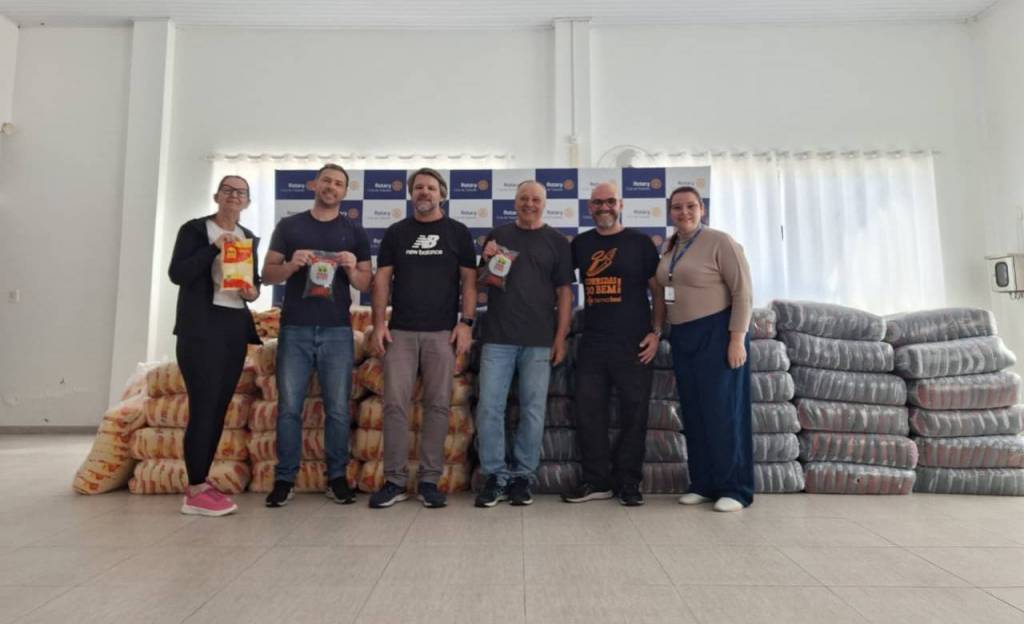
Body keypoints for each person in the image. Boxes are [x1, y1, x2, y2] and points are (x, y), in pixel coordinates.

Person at [261, 164, 372, 507]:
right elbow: (267, 275)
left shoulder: (354, 231)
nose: (331, 187)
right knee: (289, 408)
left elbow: (365, 282)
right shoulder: (290, 226)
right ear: (314, 184)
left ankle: (336, 478)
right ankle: (285, 479)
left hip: (338, 330)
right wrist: (292, 264)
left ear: (345, 192)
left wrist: (352, 268)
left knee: (337, 409)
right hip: (294, 328)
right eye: (327, 181)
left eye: (338, 183)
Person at [367, 168, 477, 509]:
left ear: (442, 194)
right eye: (418, 187)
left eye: (430, 187)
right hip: (400, 331)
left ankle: (430, 481)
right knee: (394, 405)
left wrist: (466, 323)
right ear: (411, 194)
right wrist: (378, 323)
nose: (424, 192)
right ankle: (395, 481)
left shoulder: (458, 232)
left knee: (438, 405)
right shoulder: (396, 232)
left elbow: (469, 282)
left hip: (442, 333)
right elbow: (382, 280)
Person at [561, 182, 663, 506]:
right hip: (593, 342)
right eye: (597, 203)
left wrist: (656, 332)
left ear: (620, 205)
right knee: (589, 413)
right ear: (589, 208)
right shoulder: (581, 244)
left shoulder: (640, 243)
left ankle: (628, 483)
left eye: (609, 202)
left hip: (635, 343)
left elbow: (658, 291)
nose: (603, 207)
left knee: (634, 414)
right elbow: (555, 277)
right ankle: (596, 482)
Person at [474, 180, 574, 507]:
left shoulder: (557, 242)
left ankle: (523, 477)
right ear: (515, 202)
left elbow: (565, 294)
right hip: (497, 338)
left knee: (532, 410)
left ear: (544, 204)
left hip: (539, 340)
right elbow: (481, 282)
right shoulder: (498, 235)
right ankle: (494, 476)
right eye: (523, 198)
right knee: (490, 408)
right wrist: (485, 258)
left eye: (535, 199)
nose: (529, 204)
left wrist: (560, 339)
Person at [655, 185, 754, 512]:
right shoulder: (671, 246)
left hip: (718, 332)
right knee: (695, 412)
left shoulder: (720, 241)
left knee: (723, 412)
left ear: (702, 209)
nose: (684, 212)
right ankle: (703, 483)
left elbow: (743, 292)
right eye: (677, 207)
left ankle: (735, 488)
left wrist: (736, 338)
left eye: (690, 206)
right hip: (683, 335)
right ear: (670, 212)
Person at [169, 175, 262, 516]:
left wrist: (252, 291)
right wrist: (213, 249)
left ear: (247, 201)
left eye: (241, 192)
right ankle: (194, 490)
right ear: (217, 196)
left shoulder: (247, 237)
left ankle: (202, 481)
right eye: (228, 190)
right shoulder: (195, 231)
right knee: (204, 405)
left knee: (219, 407)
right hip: (200, 329)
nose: (234, 196)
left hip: (233, 328)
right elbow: (178, 274)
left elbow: (253, 286)